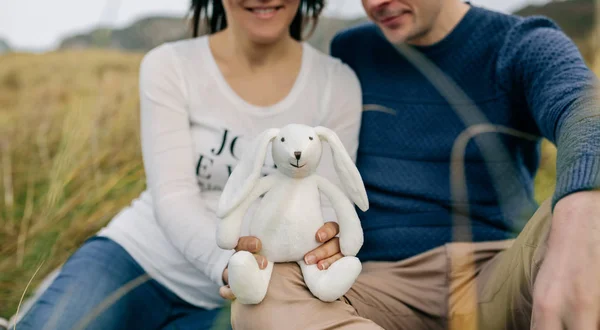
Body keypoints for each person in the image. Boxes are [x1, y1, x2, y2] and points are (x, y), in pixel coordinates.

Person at [227, 0, 600, 329]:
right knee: (262, 301)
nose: (375, 4)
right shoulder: (353, 51)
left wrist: (582, 205)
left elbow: (585, 109)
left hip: (496, 273)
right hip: (375, 285)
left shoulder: (523, 44)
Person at [11, 0, 365, 329]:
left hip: (259, 293)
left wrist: (323, 247)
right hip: (139, 259)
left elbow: (325, 207)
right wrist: (229, 267)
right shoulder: (170, 65)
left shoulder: (337, 84)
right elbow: (173, 195)